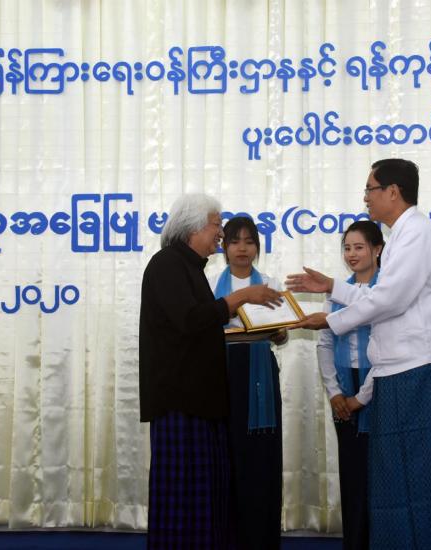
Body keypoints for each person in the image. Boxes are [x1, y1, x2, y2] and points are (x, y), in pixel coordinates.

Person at [286, 159, 431, 549]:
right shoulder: (401, 234)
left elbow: (390, 299)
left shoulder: (419, 232)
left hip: (421, 371)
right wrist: (333, 287)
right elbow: (381, 294)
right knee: (394, 479)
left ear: (393, 192)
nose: (365, 197)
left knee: (423, 479)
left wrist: (331, 320)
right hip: (399, 372)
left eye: (370, 189)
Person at [139, 194, 281, 549]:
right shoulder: (167, 264)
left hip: (201, 401)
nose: (221, 233)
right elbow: (191, 320)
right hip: (180, 401)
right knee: (181, 499)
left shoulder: (191, 268)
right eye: (217, 225)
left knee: (204, 499)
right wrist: (240, 297)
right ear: (193, 228)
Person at [208, 216, 287, 550]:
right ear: (224, 247)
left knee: (259, 459)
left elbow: (281, 334)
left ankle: (260, 538)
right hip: (220, 372)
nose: (242, 248)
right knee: (222, 456)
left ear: (257, 247)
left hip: (259, 377)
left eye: (249, 241)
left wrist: (279, 332)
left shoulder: (269, 283)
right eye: (235, 241)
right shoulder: (209, 283)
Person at [316, 220, 383, 550]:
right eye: (347, 248)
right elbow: (324, 343)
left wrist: (362, 397)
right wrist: (335, 393)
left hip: (380, 387)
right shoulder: (337, 293)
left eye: (359, 247)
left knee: (381, 478)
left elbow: (387, 350)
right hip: (344, 390)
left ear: (378, 249)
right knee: (352, 477)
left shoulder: (388, 292)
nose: (352, 254)